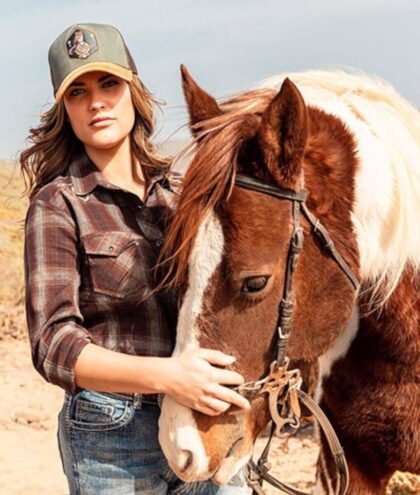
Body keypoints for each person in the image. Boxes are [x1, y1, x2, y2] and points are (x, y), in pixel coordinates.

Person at [20, 23, 250, 495]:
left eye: (109, 84)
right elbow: (53, 343)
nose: (97, 102)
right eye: (78, 92)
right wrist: (170, 377)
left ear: (133, 89)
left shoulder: (184, 196)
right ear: (65, 110)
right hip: (113, 433)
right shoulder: (58, 204)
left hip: (205, 419)